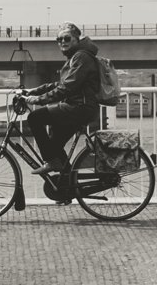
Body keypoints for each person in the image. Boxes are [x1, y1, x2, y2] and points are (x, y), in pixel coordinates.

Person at [16, 23, 103, 186]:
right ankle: (67, 189)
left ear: (77, 39)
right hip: (78, 107)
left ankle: (50, 162)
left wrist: (37, 100)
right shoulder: (76, 56)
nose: (62, 42)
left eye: (66, 38)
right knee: (55, 146)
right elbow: (60, 84)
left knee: (35, 118)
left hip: (79, 108)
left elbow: (67, 87)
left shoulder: (81, 57)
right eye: (59, 39)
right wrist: (34, 91)